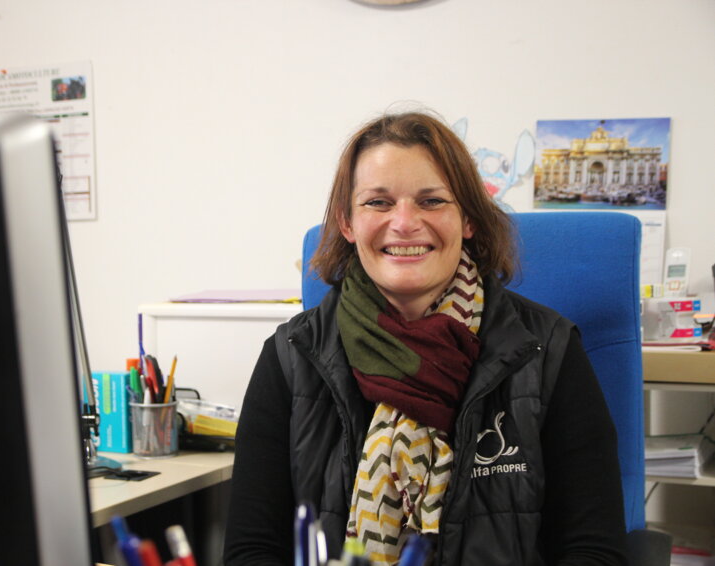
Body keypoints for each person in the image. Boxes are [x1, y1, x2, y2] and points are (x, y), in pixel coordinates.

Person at [223, 111, 628, 566]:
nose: (404, 222)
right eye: (378, 202)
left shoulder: (546, 349)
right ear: (347, 223)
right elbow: (252, 550)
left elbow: (594, 551)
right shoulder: (291, 357)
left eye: (431, 201)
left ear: (469, 218)